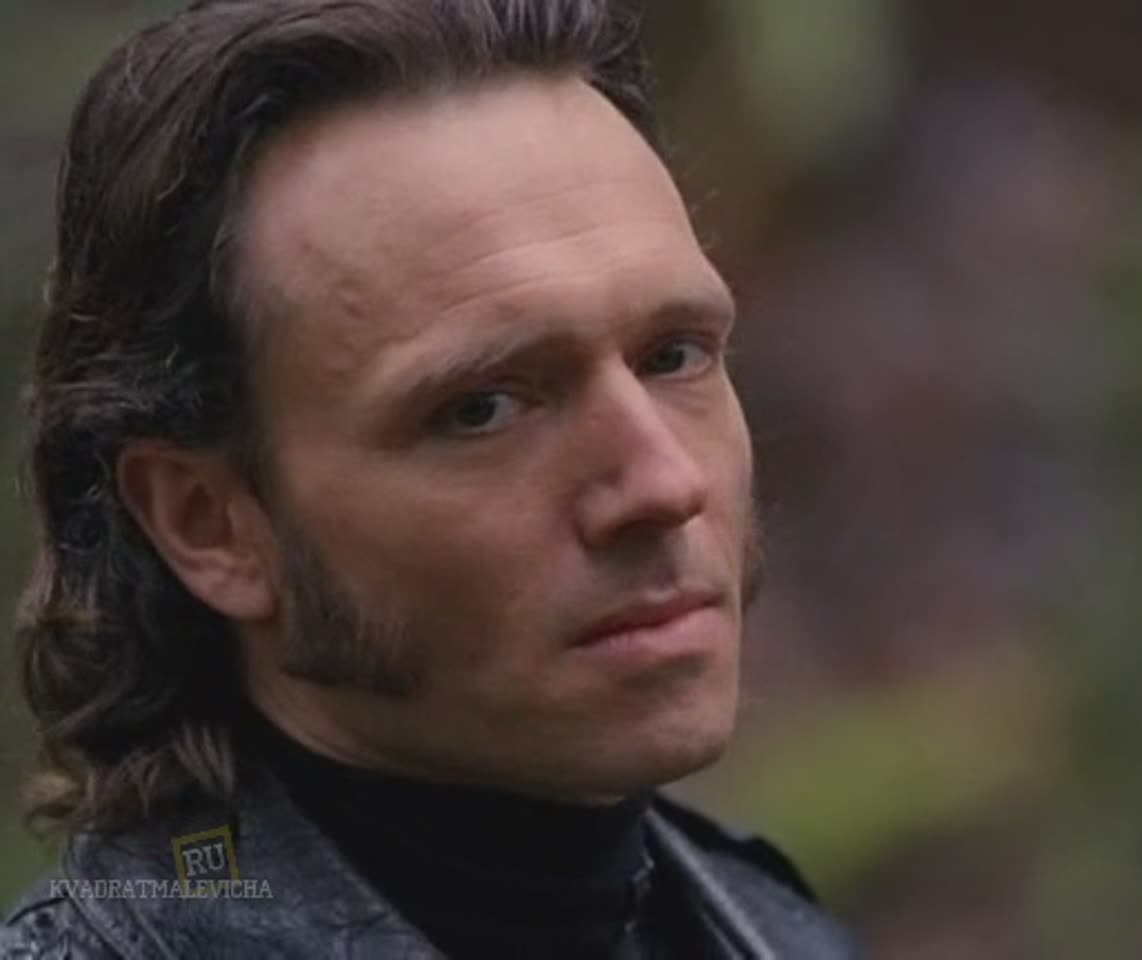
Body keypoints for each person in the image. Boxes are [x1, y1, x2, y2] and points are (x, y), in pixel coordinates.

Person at [0, 1, 858, 957]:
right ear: (211, 524)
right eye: (481, 408)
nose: (663, 485)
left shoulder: (777, 931)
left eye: (674, 356)